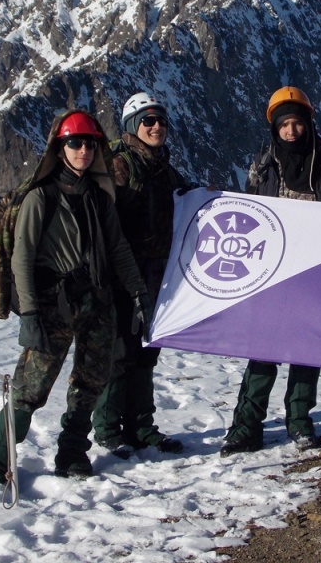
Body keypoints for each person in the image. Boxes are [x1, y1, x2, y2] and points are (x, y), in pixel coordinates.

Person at [0, 109, 148, 487]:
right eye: (75, 143)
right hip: (55, 303)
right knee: (30, 388)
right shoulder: (42, 196)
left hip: (97, 300)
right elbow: (22, 256)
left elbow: (118, 248)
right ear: (60, 147)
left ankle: (72, 453)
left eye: (90, 143)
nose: (83, 150)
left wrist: (137, 292)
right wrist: (31, 313)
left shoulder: (100, 197)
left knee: (90, 380)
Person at [220, 86, 321, 456]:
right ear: (275, 127)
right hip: (272, 273)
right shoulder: (262, 165)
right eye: (285, 125)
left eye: (298, 123)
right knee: (263, 350)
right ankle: (245, 427)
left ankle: (299, 422)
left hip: (317, 273)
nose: (292, 131)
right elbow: (249, 211)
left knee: (306, 351)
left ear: (309, 124)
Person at [92, 92, 195, 456]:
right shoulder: (119, 164)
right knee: (120, 351)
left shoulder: (164, 168)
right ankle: (107, 429)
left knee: (146, 351)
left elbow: (186, 199)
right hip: (121, 275)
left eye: (161, 121)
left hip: (156, 276)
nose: (157, 127)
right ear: (133, 125)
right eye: (148, 121)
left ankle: (140, 426)